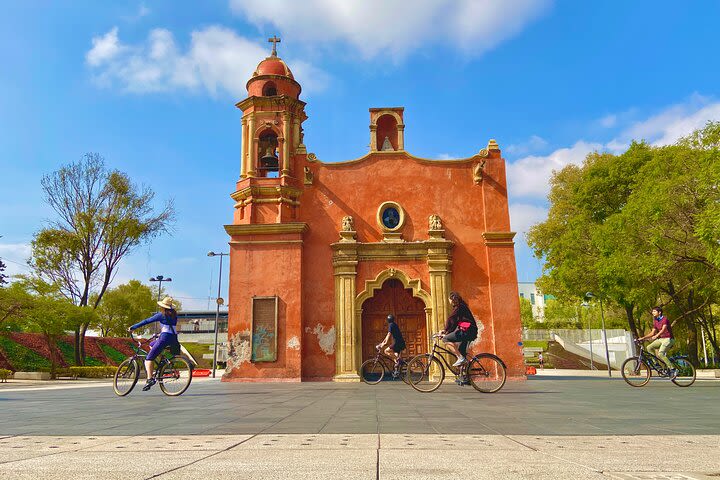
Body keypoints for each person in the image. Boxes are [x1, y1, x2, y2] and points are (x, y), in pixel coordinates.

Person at [128, 296, 181, 391]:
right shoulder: (174, 316)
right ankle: (161, 361)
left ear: (163, 307)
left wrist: (133, 327)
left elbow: (146, 321)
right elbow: (169, 328)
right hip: (173, 338)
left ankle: (149, 379)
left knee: (148, 359)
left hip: (164, 338)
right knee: (152, 344)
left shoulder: (161, 315)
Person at [441, 292, 479, 367]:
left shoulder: (459, 307)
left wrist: (445, 331)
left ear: (452, 299)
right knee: (461, 351)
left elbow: (451, 319)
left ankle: (460, 358)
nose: (449, 302)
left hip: (468, 331)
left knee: (445, 339)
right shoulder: (461, 307)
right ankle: (465, 377)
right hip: (470, 331)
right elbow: (455, 322)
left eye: (449, 300)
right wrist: (447, 331)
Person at [637, 306, 676, 376]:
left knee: (660, 354)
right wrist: (643, 338)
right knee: (649, 347)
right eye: (652, 311)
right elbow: (652, 333)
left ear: (659, 312)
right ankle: (657, 364)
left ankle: (673, 369)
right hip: (661, 339)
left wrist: (656, 335)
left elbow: (663, 329)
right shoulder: (656, 321)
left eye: (654, 311)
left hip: (668, 339)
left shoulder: (664, 319)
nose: (652, 313)